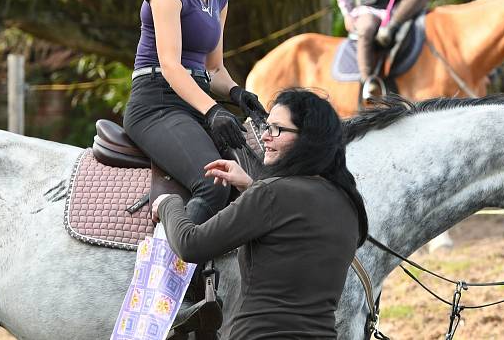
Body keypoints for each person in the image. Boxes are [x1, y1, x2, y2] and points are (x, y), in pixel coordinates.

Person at [123, 0, 267, 329]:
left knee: (258, 174)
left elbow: (215, 70)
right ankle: (173, 288)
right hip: (156, 102)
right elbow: (171, 67)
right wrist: (211, 110)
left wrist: (239, 96)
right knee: (214, 184)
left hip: (194, 97)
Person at [152, 89, 369, 339]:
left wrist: (169, 203)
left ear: (308, 139)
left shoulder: (272, 194)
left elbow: (191, 245)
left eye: (277, 129)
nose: (265, 136)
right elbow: (294, 229)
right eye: (267, 127)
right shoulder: (348, 204)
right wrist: (250, 185)